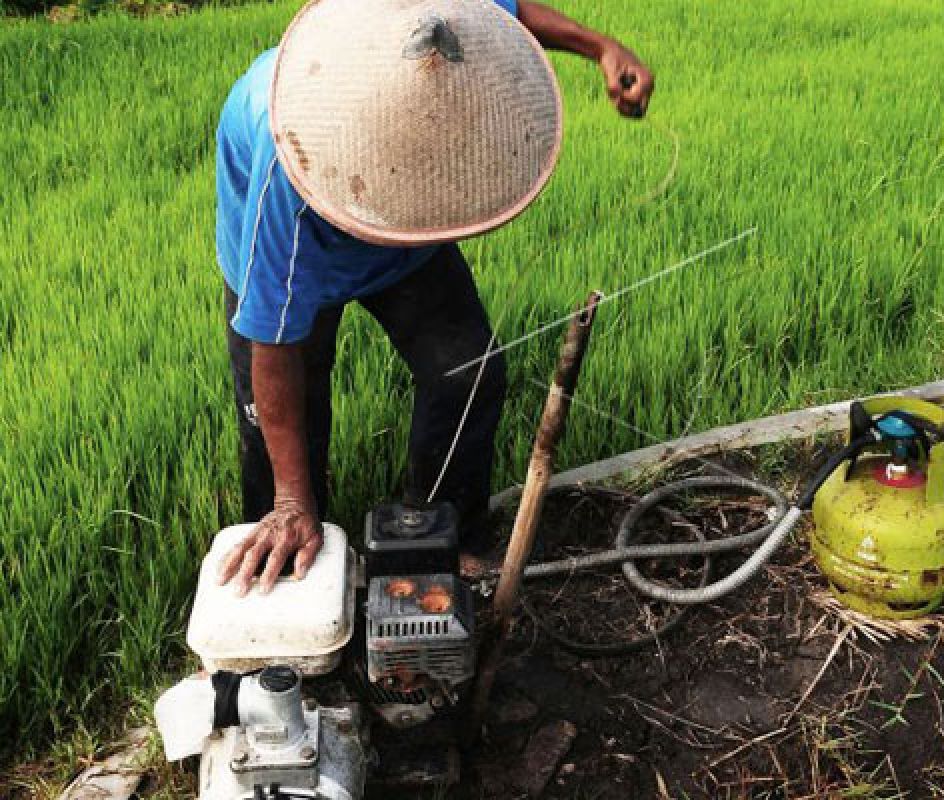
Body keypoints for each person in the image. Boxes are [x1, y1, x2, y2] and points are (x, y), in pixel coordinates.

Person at [213, 0, 654, 596]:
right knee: (287, 437)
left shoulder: (429, 20)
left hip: (407, 234)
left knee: (467, 371)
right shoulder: (287, 167)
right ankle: (289, 582)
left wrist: (599, 46)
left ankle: (446, 538)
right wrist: (293, 499)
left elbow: (506, 13)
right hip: (310, 219)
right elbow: (273, 344)